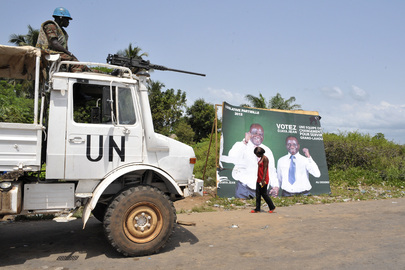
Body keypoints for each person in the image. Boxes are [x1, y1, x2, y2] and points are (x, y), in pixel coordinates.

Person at [227, 123, 277, 199]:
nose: (258, 136)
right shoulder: (241, 145)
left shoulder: (267, 150)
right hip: (244, 190)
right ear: (249, 134)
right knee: (242, 210)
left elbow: (272, 171)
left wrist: (275, 186)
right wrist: (245, 142)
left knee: (260, 210)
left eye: (261, 134)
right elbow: (232, 158)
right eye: (255, 133)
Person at [36, 7, 84, 72]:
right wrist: (70, 54)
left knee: (77, 64)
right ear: (61, 18)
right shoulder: (51, 26)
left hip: (55, 54)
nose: (68, 22)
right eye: (67, 19)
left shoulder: (62, 31)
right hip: (46, 53)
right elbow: (54, 43)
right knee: (74, 63)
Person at [251, 147, 276, 213]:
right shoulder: (261, 158)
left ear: (260, 153)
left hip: (263, 179)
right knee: (258, 194)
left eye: (256, 154)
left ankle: (272, 207)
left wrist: (263, 179)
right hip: (259, 178)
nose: (256, 155)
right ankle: (257, 209)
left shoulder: (265, 158)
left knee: (264, 194)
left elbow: (265, 169)